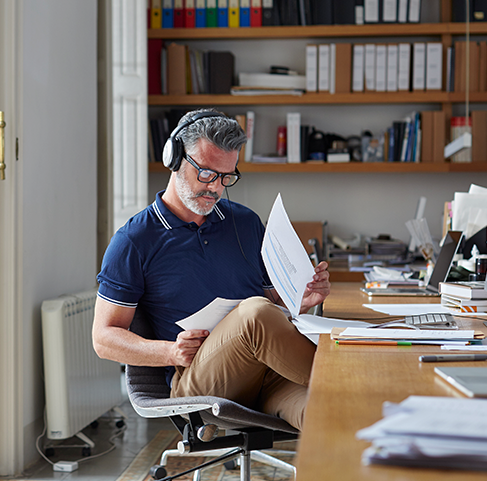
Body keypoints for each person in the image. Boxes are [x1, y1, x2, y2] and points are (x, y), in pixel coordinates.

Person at [92, 109, 330, 430]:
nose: (215, 188)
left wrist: (302, 297)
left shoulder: (245, 223)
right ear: (175, 158)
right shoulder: (134, 241)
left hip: (268, 376)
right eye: (206, 173)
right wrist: (171, 352)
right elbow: (103, 338)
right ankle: (347, 376)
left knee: (332, 414)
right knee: (254, 313)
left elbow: (276, 303)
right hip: (203, 385)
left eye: (226, 176)